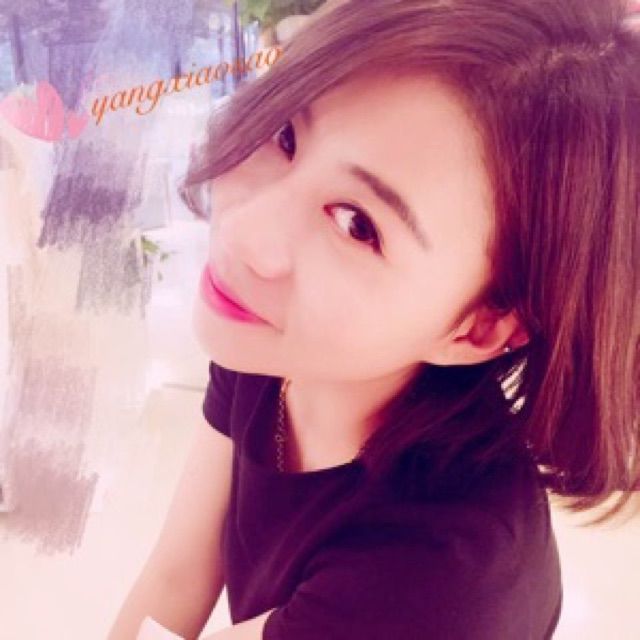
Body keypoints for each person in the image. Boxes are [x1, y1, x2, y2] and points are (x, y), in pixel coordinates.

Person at [107, 0, 639, 638]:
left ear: (478, 328)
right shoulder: (279, 345)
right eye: (286, 136)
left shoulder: (437, 578)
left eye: (357, 225)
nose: (246, 235)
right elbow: (175, 577)